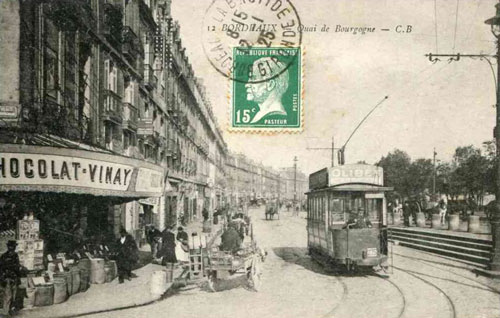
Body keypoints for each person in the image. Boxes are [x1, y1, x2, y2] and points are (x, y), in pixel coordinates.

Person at [245, 57, 290, 124]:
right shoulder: (261, 115)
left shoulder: (274, 116)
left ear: (270, 85)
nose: (247, 85)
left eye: (253, 79)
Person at [0, 240, 22, 316]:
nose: (12, 248)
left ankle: (10, 311)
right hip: (8, 278)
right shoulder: (4, 256)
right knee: (8, 296)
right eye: (11, 246)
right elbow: (1, 268)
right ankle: (6, 312)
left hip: (13, 278)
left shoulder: (15, 256)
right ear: (9, 247)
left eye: (13, 247)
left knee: (13, 296)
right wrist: (3, 278)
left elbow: (17, 267)